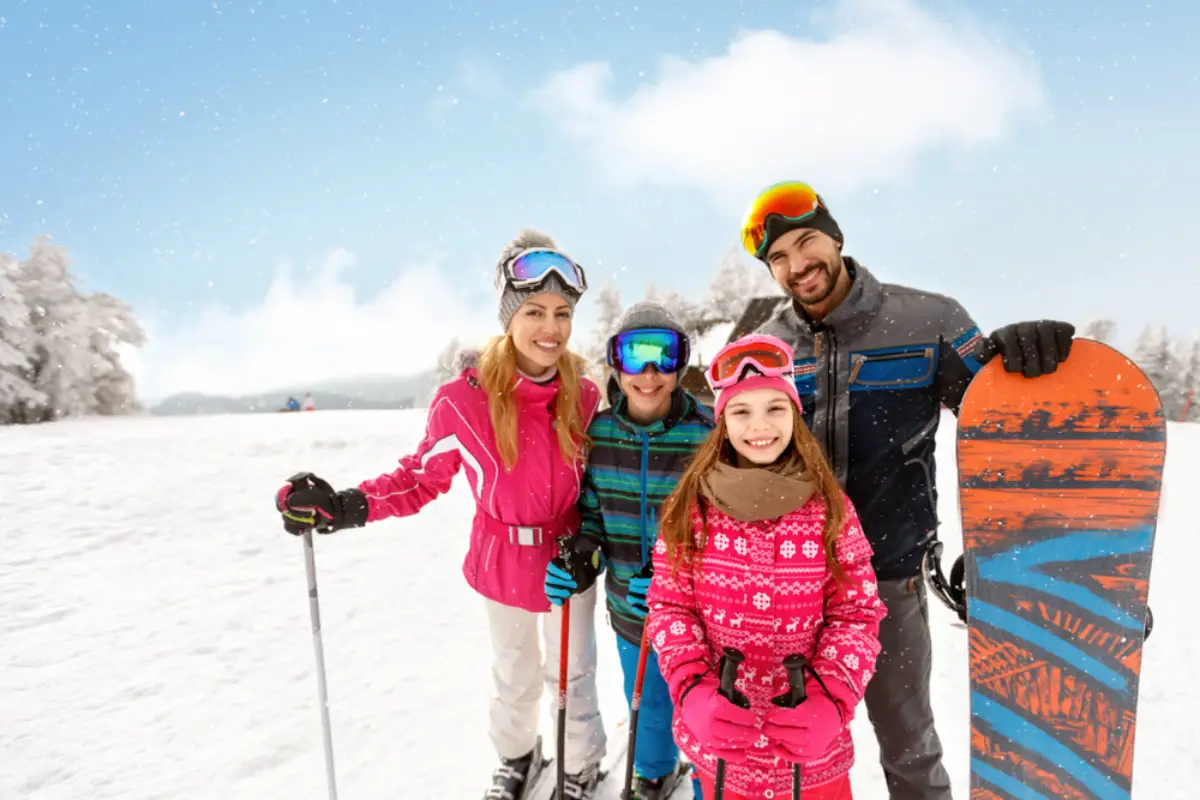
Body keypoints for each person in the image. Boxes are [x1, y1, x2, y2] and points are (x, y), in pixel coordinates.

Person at [740, 180, 1076, 799]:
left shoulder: (929, 320)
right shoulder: (767, 343)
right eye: (778, 258)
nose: (796, 265)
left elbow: (994, 422)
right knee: (786, 744)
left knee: (907, 741)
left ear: (836, 238)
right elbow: (736, 454)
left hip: (889, 571)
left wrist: (1029, 361)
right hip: (789, 579)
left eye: (806, 242)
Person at [273, 229, 608, 800]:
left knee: (573, 677)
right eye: (533, 311)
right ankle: (516, 757)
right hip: (500, 560)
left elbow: (603, 483)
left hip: (565, 563)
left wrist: (593, 543)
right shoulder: (463, 400)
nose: (550, 329)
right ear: (508, 315)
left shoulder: (585, 396)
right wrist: (348, 505)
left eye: (561, 313)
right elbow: (418, 478)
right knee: (514, 673)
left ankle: (579, 767)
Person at [645, 333, 886, 799]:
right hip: (722, 755)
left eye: (775, 408)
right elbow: (670, 609)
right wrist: (692, 691)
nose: (760, 425)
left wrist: (831, 700)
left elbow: (856, 614)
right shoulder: (690, 510)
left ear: (795, 414)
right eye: (741, 411)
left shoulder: (830, 509)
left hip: (813, 762)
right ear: (722, 421)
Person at [543, 301, 714, 800]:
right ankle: (655, 771)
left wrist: (675, 573)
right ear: (615, 363)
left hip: (698, 616)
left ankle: (711, 780)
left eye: (665, 356)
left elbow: (718, 529)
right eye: (634, 357)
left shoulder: (706, 435)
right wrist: (583, 557)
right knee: (647, 703)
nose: (649, 374)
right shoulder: (597, 434)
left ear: (681, 362)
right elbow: (593, 515)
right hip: (629, 609)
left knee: (701, 708)